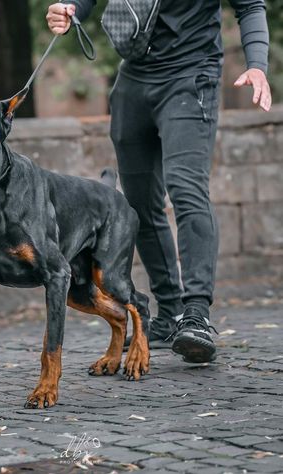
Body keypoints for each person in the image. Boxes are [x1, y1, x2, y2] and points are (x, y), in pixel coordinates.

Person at [46, 1, 271, 363]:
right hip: (133, 80)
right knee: (137, 205)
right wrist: (71, 7)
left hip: (191, 76)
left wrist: (257, 65)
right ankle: (169, 315)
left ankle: (196, 314)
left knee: (186, 188)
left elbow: (250, 6)